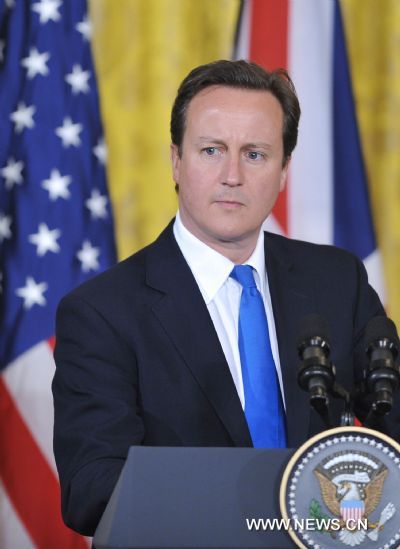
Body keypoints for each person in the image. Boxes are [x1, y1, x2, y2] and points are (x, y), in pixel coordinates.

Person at [52, 59, 399, 536]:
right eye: (212, 150)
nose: (232, 174)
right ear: (176, 160)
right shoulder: (102, 313)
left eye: (255, 154)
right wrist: (258, 504)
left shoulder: (337, 280)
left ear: (283, 171)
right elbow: (91, 490)